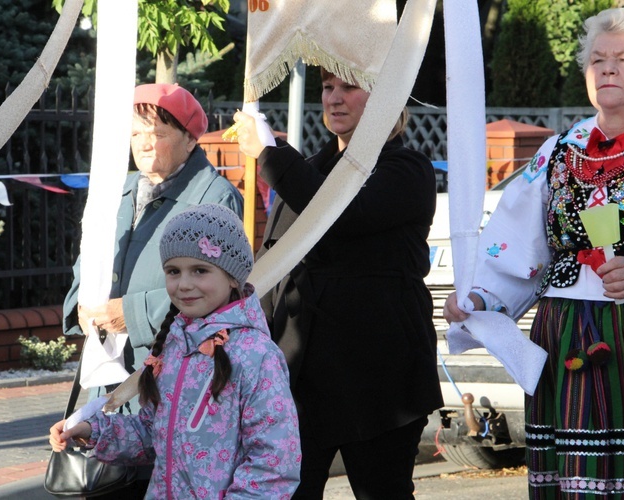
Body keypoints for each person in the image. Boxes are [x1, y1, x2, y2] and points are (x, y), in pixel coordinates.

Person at [444, 7, 624, 498]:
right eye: (597, 59)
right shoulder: (559, 151)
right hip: (566, 337)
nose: (607, 68)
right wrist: (479, 300)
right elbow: (516, 248)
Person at [231, 70, 444, 499]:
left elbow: (341, 213)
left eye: (349, 86)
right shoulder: (308, 171)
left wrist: (271, 155)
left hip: (379, 381)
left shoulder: (407, 169)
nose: (334, 98)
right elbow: (276, 266)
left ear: (385, 97)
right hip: (302, 380)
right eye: (328, 87)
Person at [62, 83, 243, 495]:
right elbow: (88, 258)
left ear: (190, 138)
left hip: (169, 380)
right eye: (136, 133)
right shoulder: (119, 189)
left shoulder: (212, 197)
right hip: (106, 376)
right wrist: (80, 304)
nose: (144, 144)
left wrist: (133, 312)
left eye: (157, 133)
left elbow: (214, 288)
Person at [51, 203, 301, 498]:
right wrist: (94, 431)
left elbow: (274, 464)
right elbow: (152, 431)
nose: (184, 284)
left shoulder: (257, 355)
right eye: (173, 271)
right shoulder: (174, 346)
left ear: (233, 276)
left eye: (200, 270)